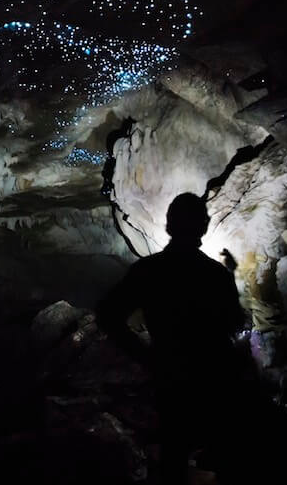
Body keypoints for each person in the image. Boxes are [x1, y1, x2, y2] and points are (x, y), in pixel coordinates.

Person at [96, 192, 249, 485]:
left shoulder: (148, 271)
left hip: (171, 375)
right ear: (203, 227)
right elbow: (234, 324)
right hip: (214, 378)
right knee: (226, 455)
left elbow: (107, 314)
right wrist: (231, 277)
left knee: (174, 456)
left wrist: (145, 356)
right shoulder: (215, 275)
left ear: (168, 226)